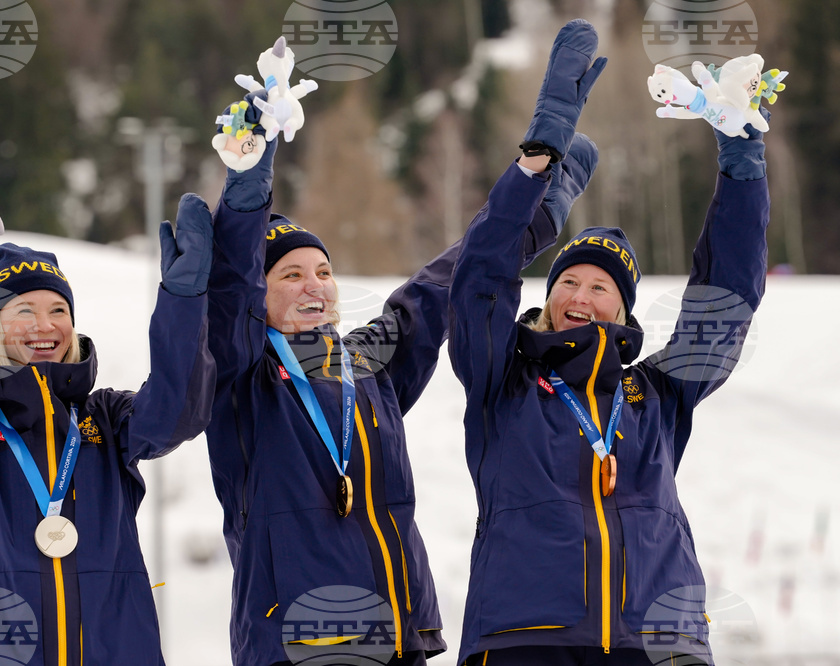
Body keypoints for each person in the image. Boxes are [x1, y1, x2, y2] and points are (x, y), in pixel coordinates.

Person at [195, 60, 599, 663]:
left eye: (324, 272)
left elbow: (443, 284)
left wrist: (534, 210)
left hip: (399, 637)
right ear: (260, 292)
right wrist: (250, 182)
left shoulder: (368, 366)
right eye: (291, 274)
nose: (315, 286)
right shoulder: (240, 374)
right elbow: (227, 295)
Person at [448, 20, 771, 666]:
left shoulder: (657, 392)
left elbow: (725, 301)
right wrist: (535, 162)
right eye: (568, 281)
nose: (580, 298)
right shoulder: (501, 379)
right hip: (526, 642)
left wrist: (743, 169)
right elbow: (480, 276)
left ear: (621, 310)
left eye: (601, 288)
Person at [0, 141, 216, 665]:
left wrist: (184, 302)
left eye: (58, 308)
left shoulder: (106, 421)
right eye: (24, 310)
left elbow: (177, 410)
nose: (44, 325)